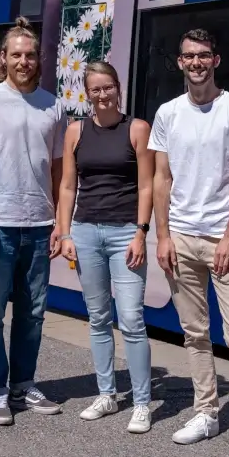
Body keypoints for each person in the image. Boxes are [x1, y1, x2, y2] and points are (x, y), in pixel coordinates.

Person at [149, 28, 229, 457]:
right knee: (195, 334)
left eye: (203, 55)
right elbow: (161, 178)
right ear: (179, 63)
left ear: (216, 60)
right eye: (189, 56)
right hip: (180, 237)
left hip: (223, 240)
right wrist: (161, 236)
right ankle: (206, 413)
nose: (196, 63)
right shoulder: (167, 113)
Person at [0, 17, 67, 426]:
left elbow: (59, 171)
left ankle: (23, 385)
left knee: (33, 313)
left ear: (37, 59)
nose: (23, 61)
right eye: (16, 55)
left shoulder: (54, 105)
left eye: (29, 55)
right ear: (3, 59)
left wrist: (61, 222)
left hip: (40, 226)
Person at [58, 62, 155, 434]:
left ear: (118, 88)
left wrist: (141, 233)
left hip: (125, 233)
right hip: (84, 232)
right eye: (95, 90)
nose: (103, 95)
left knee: (131, 318)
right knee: (98, 318)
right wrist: (65, 232)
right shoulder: (75, 131)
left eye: (108, 88)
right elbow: (68, 186)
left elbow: (146, 186)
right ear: (87, 93)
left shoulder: (137, 129)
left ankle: (143, 402)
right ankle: (107, 393)